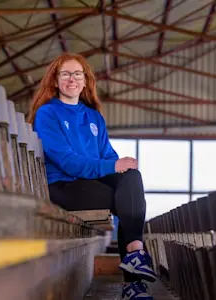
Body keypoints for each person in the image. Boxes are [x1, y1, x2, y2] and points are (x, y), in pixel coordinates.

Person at [28, 53, 156, 300]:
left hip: (90, 184)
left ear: (86, 81)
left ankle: (134, 254)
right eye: (65, 74)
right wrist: (112, 166)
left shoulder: (94, 117)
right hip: (63, 186)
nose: (72, 79)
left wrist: (122, 167)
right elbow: (68, 162)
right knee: (123, 198)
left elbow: (109, 157)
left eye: (78, 74)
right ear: (55, 81)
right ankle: (133, 281)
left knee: (131, 179)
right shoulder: (48, 114)